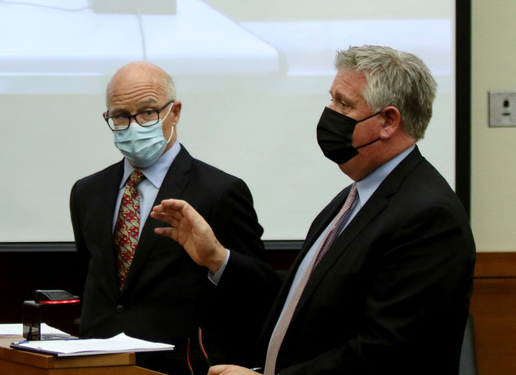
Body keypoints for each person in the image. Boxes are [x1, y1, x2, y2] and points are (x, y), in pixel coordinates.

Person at [151, 45, 476, 375]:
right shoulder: (352, 199)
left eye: (344, 104)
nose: (329, 112)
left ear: (388, 121)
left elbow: (387, 353)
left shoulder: (428, 217)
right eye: (331, 98)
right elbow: (307, 303)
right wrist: (218, 259)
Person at [69, 62, 267, 374]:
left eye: (147, 112)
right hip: (98, 364)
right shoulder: (87, 192)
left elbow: (258, 289)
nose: (134, 125)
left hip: (182, 366)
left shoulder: (220, 191)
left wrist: (218, 259)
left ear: (174, 113)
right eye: (121, 115)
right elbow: (94, 278)